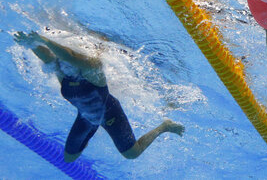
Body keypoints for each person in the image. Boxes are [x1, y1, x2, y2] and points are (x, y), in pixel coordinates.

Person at [12, 30, 184, 162]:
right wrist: (30, 43)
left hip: (110, 114)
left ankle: (164, 126)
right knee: (69, 158)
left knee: (132, 154)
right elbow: (48, 58)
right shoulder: (64, 75)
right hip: (87, 118)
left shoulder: (93, 69)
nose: (62, 64)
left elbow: (70, 56)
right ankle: (93, 128)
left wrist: (43, 40)